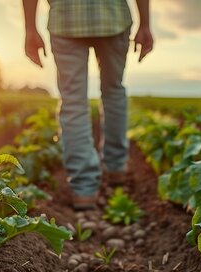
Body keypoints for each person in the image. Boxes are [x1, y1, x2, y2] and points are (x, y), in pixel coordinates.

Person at [22, 0, 154, 210]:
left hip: (66, 17)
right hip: (113, 15)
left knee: (73, 101)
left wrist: (30, 28)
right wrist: (145, 24)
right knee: (113, 92)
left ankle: (84, 188)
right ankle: (116, 168)